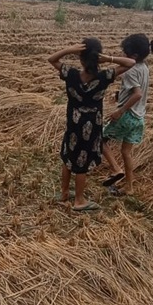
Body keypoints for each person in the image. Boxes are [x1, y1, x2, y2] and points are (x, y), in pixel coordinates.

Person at [48, 38, 135, 211]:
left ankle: (64, 193)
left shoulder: (71, 74)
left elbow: (52, 59)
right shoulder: (104, 76)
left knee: (68, 157)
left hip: (73, 123)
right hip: (91, 126)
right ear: (97, 59)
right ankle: (79, 201)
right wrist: (108, 58)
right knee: (82, 163)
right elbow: (131, 63)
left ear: (80, 59)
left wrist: (69, 49)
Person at [102, 33, 153, 196]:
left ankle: (116, 169)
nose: (122, 54)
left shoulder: (130, 70)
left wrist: (119, 111)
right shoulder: (144, 67)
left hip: (127, 115)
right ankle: (129, 187)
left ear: (133, 55)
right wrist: (120, 95)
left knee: (100, 140)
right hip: (139, 118)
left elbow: (137, 94)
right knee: (126, 152)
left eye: (124, 52)